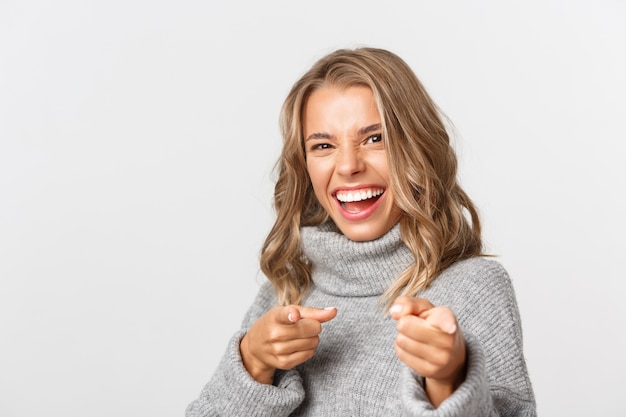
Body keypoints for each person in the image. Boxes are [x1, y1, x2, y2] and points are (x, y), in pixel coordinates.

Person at [186, 47, 536, 416]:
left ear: (416, 149)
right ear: (304, 166)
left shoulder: (474, 288)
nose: (349, 165)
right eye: (323, 145)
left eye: (374, 139)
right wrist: (252, 364)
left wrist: (448, 380)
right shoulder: (283, 292)